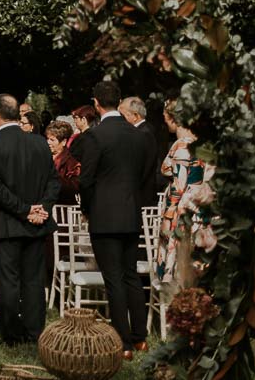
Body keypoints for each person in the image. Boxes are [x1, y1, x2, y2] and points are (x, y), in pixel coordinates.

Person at [0, 93, 60, 345]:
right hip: (35, 223)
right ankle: (35, 332)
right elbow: (53, 182)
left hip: (7, 222)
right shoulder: (38, 143)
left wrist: (28, 210)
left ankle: (13, 333)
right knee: (34, 280)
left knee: (9, 281)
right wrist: (40, 209)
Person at [79, 80, 153, 359]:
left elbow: (86, 179)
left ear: (96, 104)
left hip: (104, 215)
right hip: (130, 213)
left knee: (114, 279)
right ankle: (141, 337)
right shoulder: (138, 134)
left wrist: (87, 208)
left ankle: (123, 342)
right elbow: (145, 174)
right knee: (131, 275)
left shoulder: (96, 136)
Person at [156, 100, 209, 283]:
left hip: (182, 210)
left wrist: (168, 219)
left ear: (172, 119)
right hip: (199, 207)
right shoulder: (201, 144)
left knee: (179, 264)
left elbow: (179, 187)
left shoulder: (182, 145)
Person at [119, 95, 161, 208]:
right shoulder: (142, 131)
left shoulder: (144, 133)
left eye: (123, 116)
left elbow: (142, 166)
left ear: (135, 116)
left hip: (140, 195)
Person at [45, 121, 81, 204]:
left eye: (52, 140)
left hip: (63, 209)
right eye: (47, 139)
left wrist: (53, 178)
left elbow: (74, 188)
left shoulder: (72, 163)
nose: (48, 142)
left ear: (64, 142)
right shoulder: (44, 157)